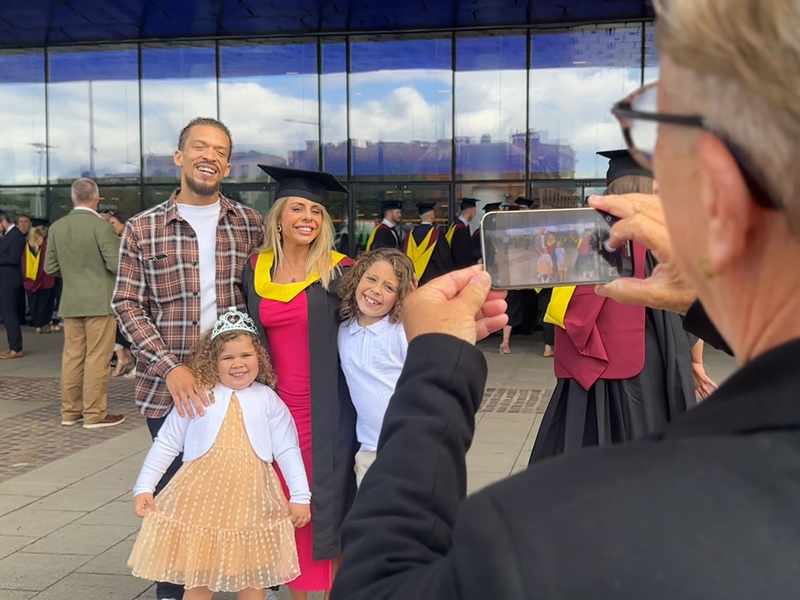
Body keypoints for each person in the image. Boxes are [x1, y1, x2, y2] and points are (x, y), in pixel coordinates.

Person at [331, 1, 800, 597]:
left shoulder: (546, 538)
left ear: (716, 189)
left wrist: (434, 368)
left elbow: (377, 586)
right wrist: (714, 299)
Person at [112, 117, 264, 600]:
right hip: (170, 391)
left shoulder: (249, 224)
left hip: (237, 390)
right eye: (200, 147)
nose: (209, 156)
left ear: (227, 163)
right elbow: (127, 304)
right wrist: (169, 366)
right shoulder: (143, 228)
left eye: (220, 150)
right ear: (179, 157)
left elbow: (275, 293)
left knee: (238, 504)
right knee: (176, 508)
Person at [529, 149, 699, 462]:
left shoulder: (593, 236)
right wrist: (693, 360)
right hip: (657, 357)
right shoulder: (668, 237)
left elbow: (576, 309)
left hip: (606, 362)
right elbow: (689, 307)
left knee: (593, 440)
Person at [129, 307, 311, 599]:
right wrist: (144, 486)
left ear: (259, 358)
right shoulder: (200, 393)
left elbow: (288, 448)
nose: (238, 364)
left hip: (252, 502)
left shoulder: (268, 399)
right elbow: (167, 442)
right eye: (227, 357)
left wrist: (300, 496)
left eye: (245, 355)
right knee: (199, 578)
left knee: (253, 577)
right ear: (212, 361)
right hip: (201, 500)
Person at [241, 165, 357, 600]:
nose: (308, 216)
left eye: (315, 210)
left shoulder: (340, 270)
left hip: (328, 411)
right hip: (275, 409)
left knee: (327, 505)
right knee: (284, 504)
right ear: (278, 217)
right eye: (297, 207)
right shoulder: (256, 268)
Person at [45, 179, 125, 429]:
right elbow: (116, 265)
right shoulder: (101, 227)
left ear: (73, 198)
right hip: (100, 302)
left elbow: (50, 268)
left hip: (70, 302)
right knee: (97, 359)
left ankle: (70, 412)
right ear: (96, 198)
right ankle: (94, 414)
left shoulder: (57, 227)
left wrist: (75, 275)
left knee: (72, 357)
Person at [337, 248, 415, 487]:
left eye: (389, 287)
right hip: (369, 449)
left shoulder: (401, 332)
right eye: (371, 279)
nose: (376, 290)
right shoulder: (344, 330)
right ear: (357, 278)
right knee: (370, 520)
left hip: (408, 447)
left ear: (400, 296)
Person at [103, 211, 135, 376]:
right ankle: (124, 358)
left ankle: (130, 360)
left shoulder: (130, 239)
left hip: (132, 288)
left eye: (113, 223)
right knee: (118, 327)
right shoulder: (115, 240)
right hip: (118, 289)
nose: (111, 226)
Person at [404, 201, 453, 285]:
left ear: (420, 216)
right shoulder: (437, 234)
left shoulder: (410, 234)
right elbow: (445, 258)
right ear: (432, 216)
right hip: (432, 279)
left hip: (413, 278)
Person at [0, 211, 26, 359]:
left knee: (10, 315)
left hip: (9, 281)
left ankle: (16, 348)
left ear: (3, 221)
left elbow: (13, 258)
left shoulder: (16, 235)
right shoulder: (8, 236)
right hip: (5, 280)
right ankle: (13, 347)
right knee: (7, 314)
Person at [22, 225, 58, 334]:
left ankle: (39, 325)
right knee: (44, 304)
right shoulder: (44, 248)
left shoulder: (27, 248)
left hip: (31, 281)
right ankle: (43, 325)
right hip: (44, 281)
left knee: (35, 304)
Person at [448, 198, 478, 269]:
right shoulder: (460, 228)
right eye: (474, 211)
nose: (475, 214)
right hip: (461, 268)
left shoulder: (458, 224)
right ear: (470, 210)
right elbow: (462, 252)